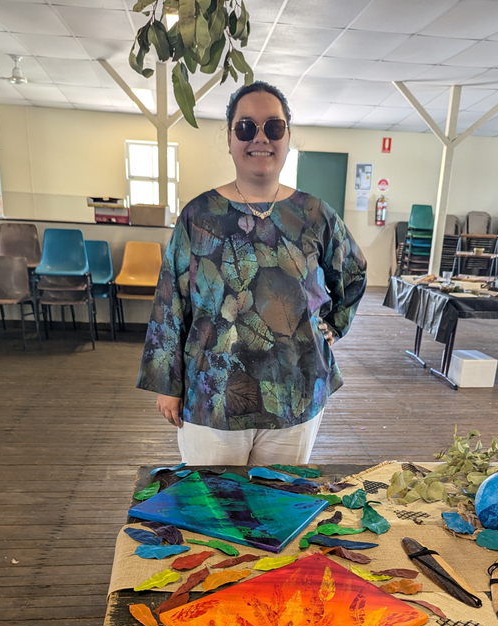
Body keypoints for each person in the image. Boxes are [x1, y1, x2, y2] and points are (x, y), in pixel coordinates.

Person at [137, 80, 367, 466]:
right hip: (211, 395)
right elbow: (169, 302)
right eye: (246, 127)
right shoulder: (199, 216)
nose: (260, 138)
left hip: (293, 393)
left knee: (276, 510)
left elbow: (355, 272)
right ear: (229, 138)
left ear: (288, 137)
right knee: (214, 512)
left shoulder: (314, 215)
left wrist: (332, 325)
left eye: (273, 127)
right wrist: (168, 383)